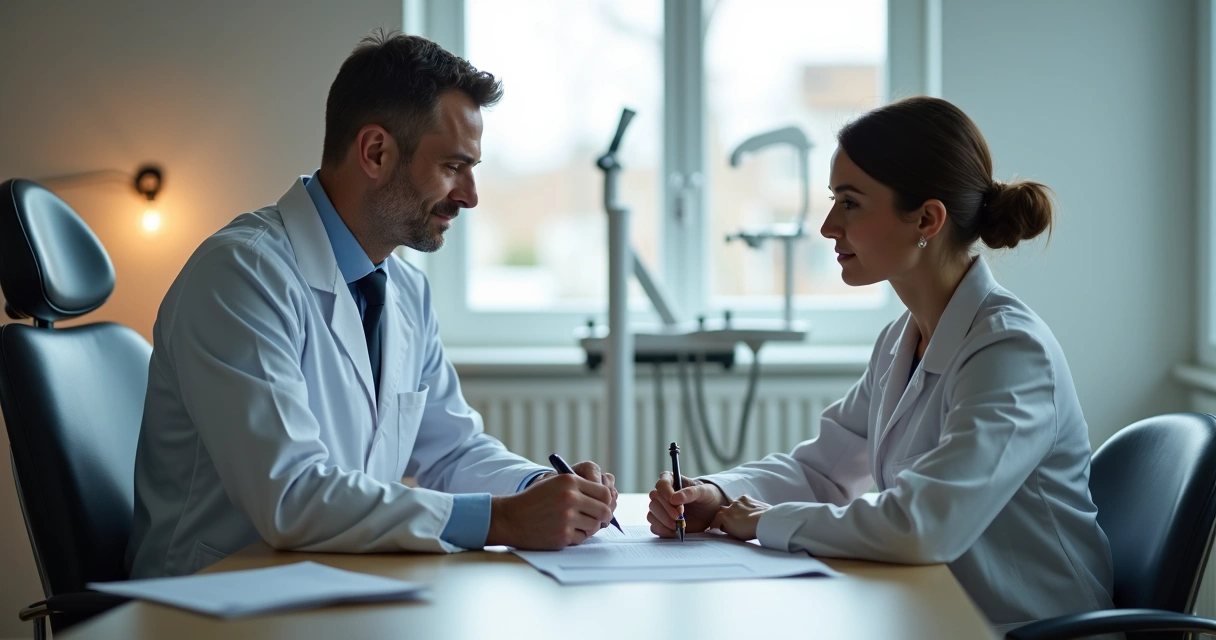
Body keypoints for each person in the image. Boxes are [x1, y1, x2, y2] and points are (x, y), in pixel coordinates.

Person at [126, 30, 618, 579]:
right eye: (454, 166)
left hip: (333, 585)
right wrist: (502, 520)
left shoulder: (405, 291)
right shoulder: (242, 274)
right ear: (376, 151)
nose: (470, 195)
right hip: (212, 605)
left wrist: (541, 489)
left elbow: (451, 451)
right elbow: (290, 495)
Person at [647, 96, 1114, 632]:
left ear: (927, 218)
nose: (827, 226)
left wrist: (766, 522)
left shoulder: (1010, 352)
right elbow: (821, 470)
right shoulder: (903, 337)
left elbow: (923, 526)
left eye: (850, 203)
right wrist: (717, 494)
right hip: (939, 613)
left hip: (1025, 626)